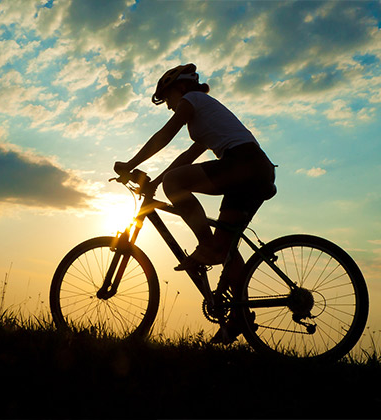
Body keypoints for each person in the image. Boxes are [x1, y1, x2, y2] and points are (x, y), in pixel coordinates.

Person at [115, 63, 275, 343]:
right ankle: (241, 316)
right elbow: (186, 160)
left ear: (180, 88)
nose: (168, 106)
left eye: (167, 98)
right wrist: (155, 183)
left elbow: (165, 135)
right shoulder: (204, 116)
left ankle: (206, 246)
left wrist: (131, 163)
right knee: (226, 249)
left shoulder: (193, 100)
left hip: (242, 164)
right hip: (255, 170)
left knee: (177, 187)